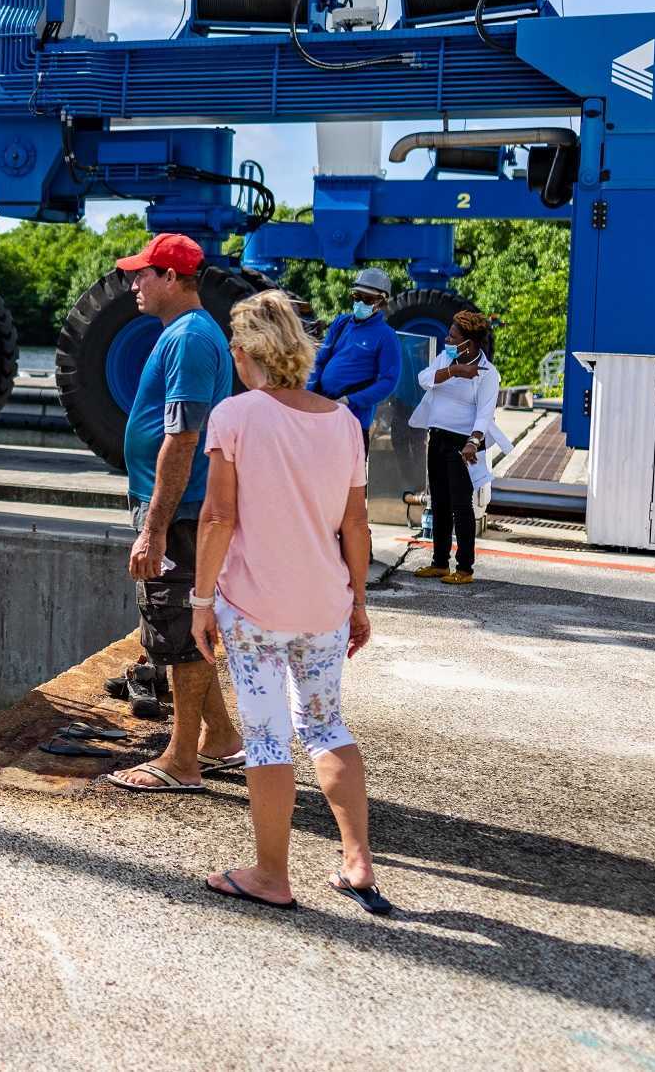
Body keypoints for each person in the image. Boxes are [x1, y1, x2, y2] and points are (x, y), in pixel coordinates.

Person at [188, 290, 389, 915]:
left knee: (269, 734)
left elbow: (219, 515)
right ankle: (357, 861)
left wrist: (200, 600)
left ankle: (272, 875)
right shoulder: (343, 421)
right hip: (324, 605)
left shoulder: (234, 415)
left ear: (245, 352)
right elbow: (356, 525)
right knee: (326, 725)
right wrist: (357, 602)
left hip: (252, 608)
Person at [101, 233, 245, 795]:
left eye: (141, 274)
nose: (133, 284)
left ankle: (182, 760)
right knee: (184, 630)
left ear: (171, 277)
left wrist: (155, 529)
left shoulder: (188, 338)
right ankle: (221, 738)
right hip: (181, 509)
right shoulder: (189, 334)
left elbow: (182, 438)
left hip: (181, 514)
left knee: (180, 632)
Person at [407, 309, 499, 585]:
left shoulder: (488, 374)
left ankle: (465, 567)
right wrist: (454, 370)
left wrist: (473, 441)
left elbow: (484, 412)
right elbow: (424, 379)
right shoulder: (447, 358)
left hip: (462, 445)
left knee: (461, 505)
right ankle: (439, 563)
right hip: (437, 438)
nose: (447, 339)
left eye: (452, 336)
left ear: (468, 343)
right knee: (440, 502)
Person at [308, 269, 403, 446]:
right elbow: (320, 360)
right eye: (356, 296)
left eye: (367, 299)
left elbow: (388, 382)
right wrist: (309, 394)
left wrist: (350, 400)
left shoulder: (386, 336)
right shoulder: (341, 323)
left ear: (381, 302)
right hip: (322, 413)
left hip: (353, 421)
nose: (360, 303)